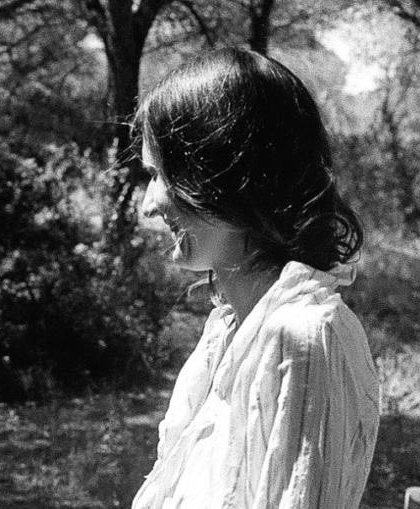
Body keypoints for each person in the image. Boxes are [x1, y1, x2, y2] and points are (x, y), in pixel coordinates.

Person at [132, 48, 380, 509]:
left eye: (159, 174)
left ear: (219, 175)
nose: (148, 205)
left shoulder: (304, 340)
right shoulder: (229, 328)